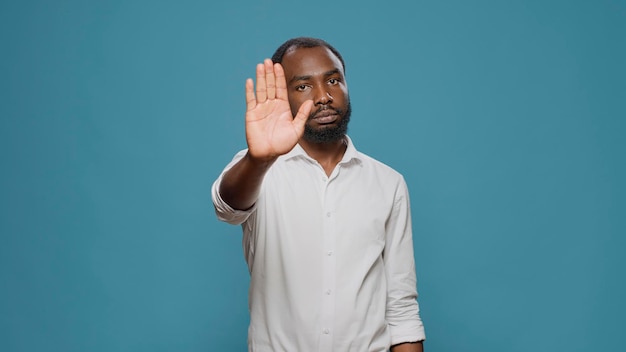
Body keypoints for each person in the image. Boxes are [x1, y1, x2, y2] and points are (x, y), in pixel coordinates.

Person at [212, 37, 425, 352]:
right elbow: (227, 207)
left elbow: (401, 307)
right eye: (302, 87)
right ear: (283, 97)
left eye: (333, 80)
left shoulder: (388, 183)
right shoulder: (257, 169)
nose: (324, 96)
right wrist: (259, 159)